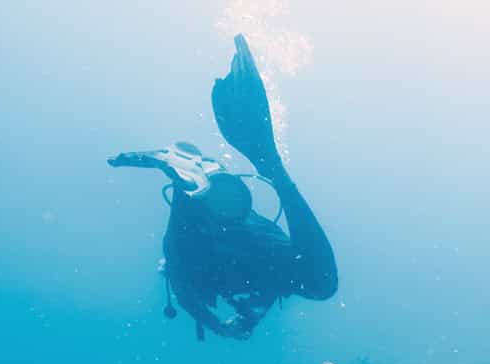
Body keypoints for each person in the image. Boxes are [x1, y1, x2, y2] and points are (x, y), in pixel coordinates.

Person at [109, 35, 337, 340]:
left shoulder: (190, 269)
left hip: (229, 232)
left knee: (320, 284)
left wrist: (219, 326)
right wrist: (243, 319)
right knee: (320, 284)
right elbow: (193, 285)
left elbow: (184, 289)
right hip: (245, 232)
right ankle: (221, 173)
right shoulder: (223, 277)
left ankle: (195, 177)